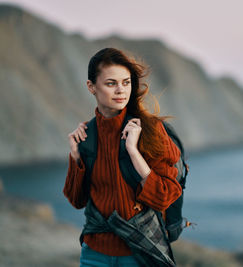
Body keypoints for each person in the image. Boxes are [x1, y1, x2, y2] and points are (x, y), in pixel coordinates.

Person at [63, 47, 182, 266]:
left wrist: (134, 152)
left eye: (126, 82)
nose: (121, 90)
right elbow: (76, 200)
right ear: (91, 87)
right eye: (111, 83)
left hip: (140, 252)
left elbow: (165, 197)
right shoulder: (87, 135)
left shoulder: (151, 130)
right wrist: (75, 156)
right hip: (93, 253)